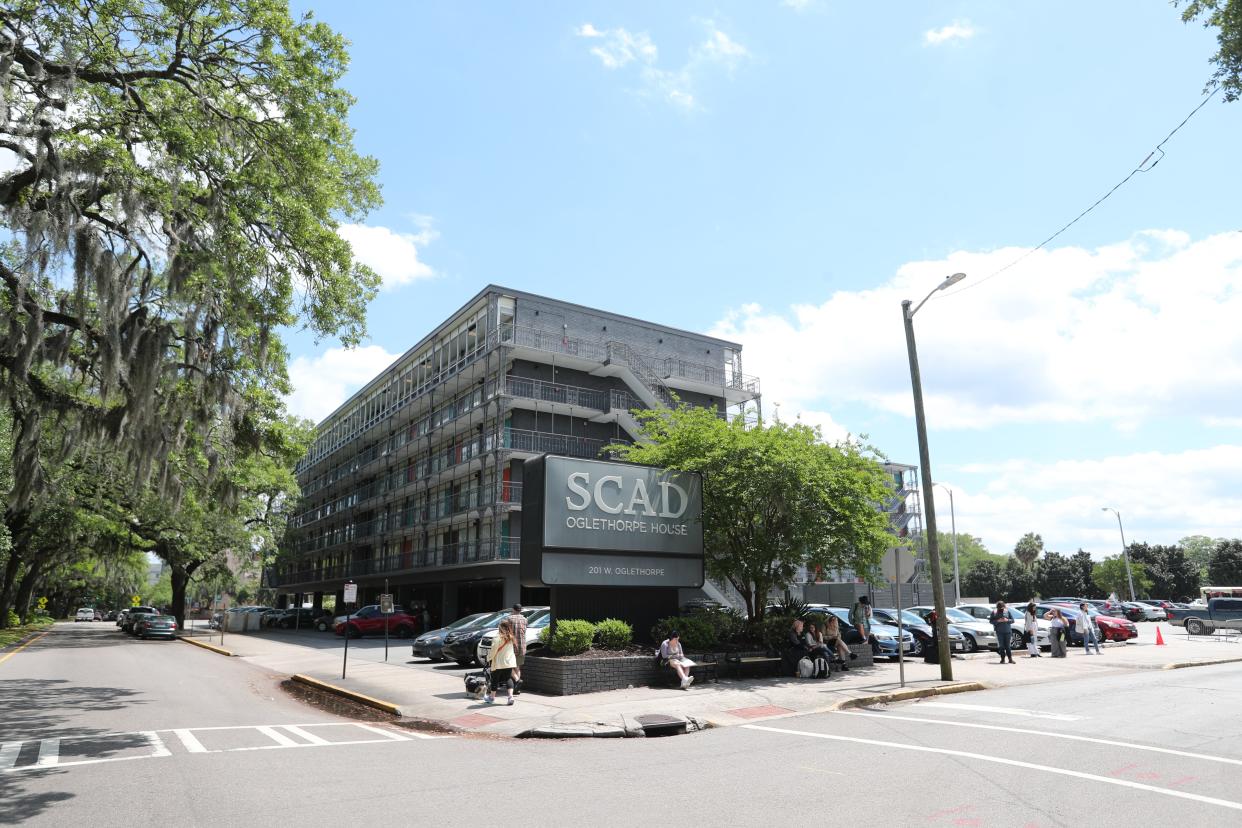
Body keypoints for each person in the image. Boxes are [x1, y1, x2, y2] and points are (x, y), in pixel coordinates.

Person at [484, 619, 518, 705]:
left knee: (495, 679)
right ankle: (510, 697)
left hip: (498, 662)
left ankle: (491, 698)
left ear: (501, 627)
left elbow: (493, 651)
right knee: (508, 679)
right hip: (509, 662)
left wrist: (488, 658)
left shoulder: (497, 637)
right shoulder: (511, 637)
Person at [506, 603, 528, 690]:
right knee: (517, 667)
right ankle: (517, 688)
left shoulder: (509, 618)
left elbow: (506, 632)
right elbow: (524, 631)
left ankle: (517, 680)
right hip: (522, 646)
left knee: (509, 666)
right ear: (520, 610)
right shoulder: (525, 619)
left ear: (513, 609)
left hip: (511, 646)